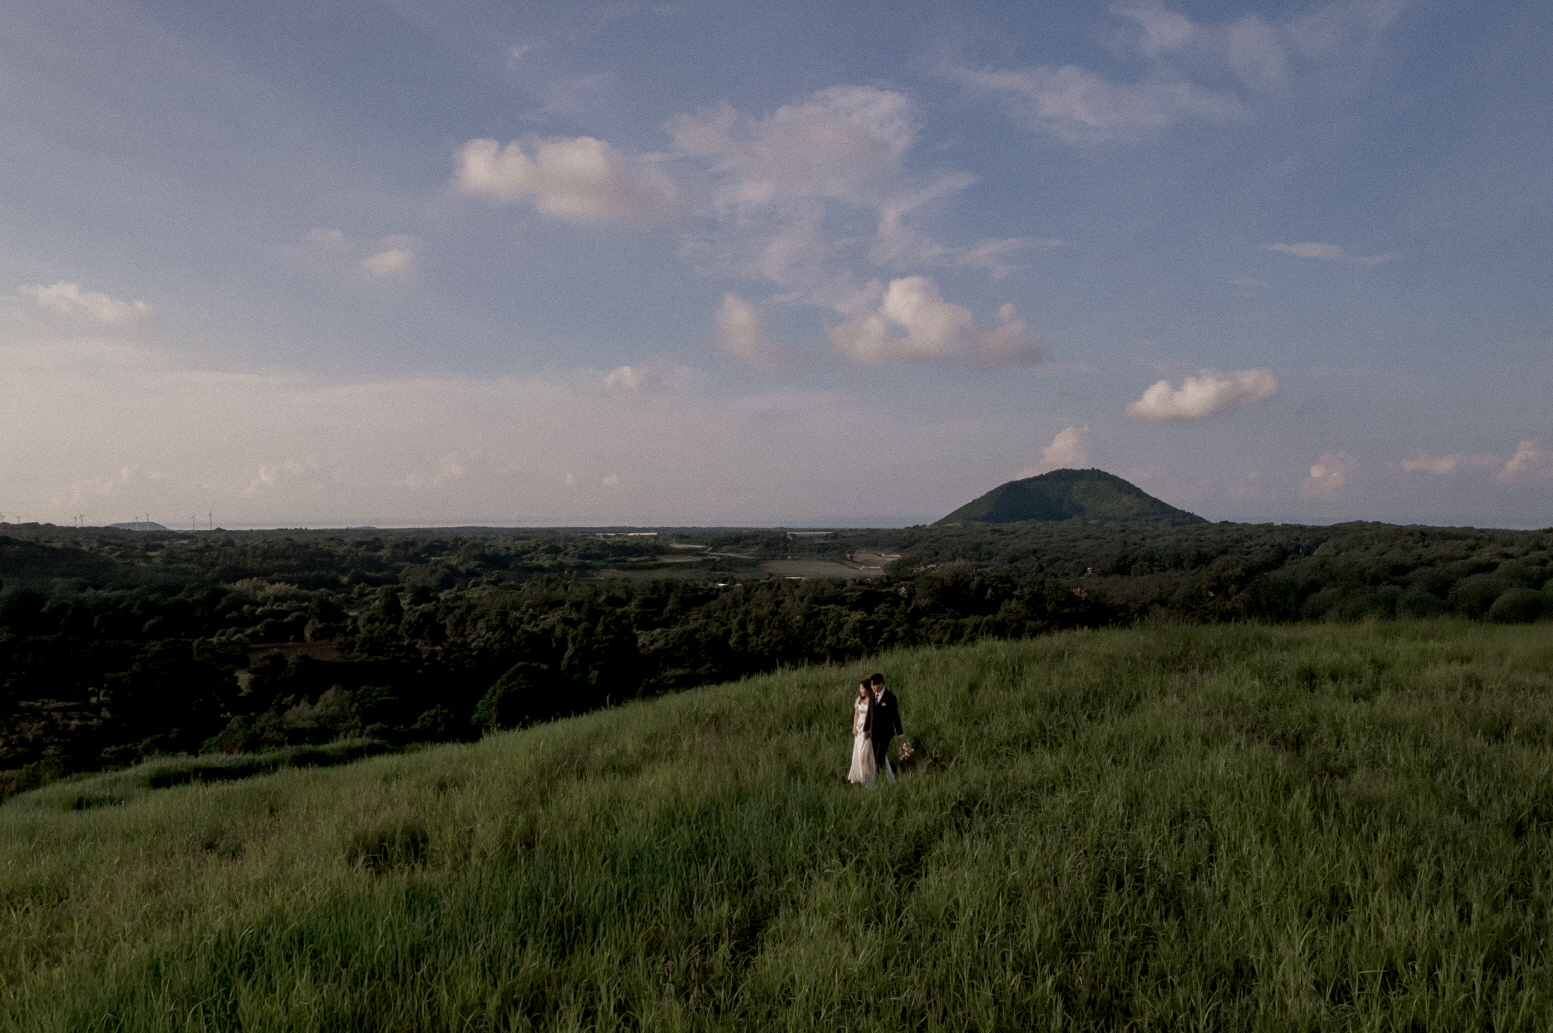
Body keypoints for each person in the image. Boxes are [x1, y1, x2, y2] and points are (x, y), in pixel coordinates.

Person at [862, 672, 904, 785]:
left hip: (885, 733)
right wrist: (866, 729)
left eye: (875, 685)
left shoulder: (890, 697)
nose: (873, 687)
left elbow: (896, 717)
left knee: (879, 758)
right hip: (874, 733)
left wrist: (901, 734)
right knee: (876, 758)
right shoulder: (872, 696)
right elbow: (869, 714)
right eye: (871, 685)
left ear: (881, 684)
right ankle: (882, 779)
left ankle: (879, 782)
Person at [846, 680, 877, 785]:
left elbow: (874, 717)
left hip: (869, 732)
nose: (861, 690)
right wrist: (854, 728)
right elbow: (856, 714)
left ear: (868, 689)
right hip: (859, 731)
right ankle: (866, 779)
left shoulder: (873, 700)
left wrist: (869, 730)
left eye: (862, 688)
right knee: (860, 756)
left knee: (864, 757)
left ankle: (870, 781)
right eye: (860, 688)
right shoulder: (859, 699)